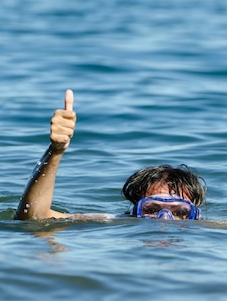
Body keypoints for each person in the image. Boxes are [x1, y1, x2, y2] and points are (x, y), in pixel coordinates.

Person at [14, 89, 206, 221]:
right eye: (152, 210)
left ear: (196, 216)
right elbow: (34, 218)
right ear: (133, 212)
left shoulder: (209, 230)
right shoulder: (116, 223)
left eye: (181, 212)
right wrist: (55, 152)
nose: (165, 221)